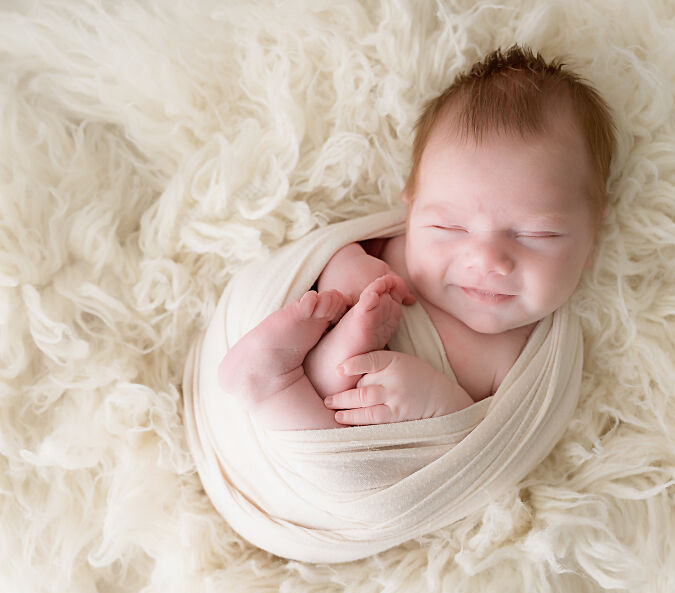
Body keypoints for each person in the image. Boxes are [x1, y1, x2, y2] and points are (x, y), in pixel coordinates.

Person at [217, 45, 615, 430]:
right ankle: (312, 362)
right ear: (411, 211)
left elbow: (481, 456)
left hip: (346, 450)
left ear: (590, 237)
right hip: (286, 400)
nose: (487, 260)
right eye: (450, 228)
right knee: (333, 319)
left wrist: (442, 407)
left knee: (355, 464)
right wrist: (345, 267)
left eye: (535, 233)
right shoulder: (389, 253)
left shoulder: (529, 362)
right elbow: (318, 254)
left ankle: (276, 386)